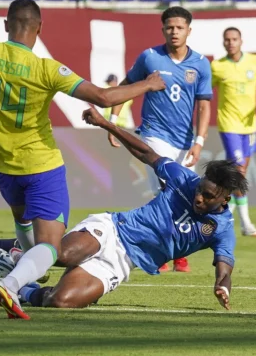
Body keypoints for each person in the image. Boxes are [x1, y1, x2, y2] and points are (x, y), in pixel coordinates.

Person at [0, 0, 165, 320]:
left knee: (26, 227)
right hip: (40, 166)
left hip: (0, 164)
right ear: (39, 29)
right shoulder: (47, 69)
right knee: (50, 247)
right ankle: (9, 286)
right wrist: (148, 84)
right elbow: (104, 97)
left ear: (6, 24)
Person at [16, 108, 241, 312]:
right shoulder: (183, 178)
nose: (199, 197)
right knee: (62, 255)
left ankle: (23, 291)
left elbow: (224, 270)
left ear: (225, 199)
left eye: (208, 196)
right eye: (200, 190)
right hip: (113, 230)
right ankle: (12, 252)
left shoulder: (222, 229)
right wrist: (107, 124)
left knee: (59, 301)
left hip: (123, 262)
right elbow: (145, 153)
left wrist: (223, 287)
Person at [109, 6, 212, 273]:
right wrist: (114, 120)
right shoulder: (150, 57)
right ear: (163, 29)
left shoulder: (200, 63)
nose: (174, 31)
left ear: (189, 30)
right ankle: (167, 253)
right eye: (169, 27)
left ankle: (166, 248)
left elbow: (203, 106)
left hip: (184, 141)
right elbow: (127, 85)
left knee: (187, 197)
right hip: (154, 134)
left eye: (179, 27)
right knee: (171, 187)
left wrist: (199, 140)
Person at [211, 27, 256, 237]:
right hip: (229, 125)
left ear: (241, 41)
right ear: (223, 43)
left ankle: (226, 211)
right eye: (227, 40)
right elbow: (204, 90)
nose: (230, 43)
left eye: (234, 39)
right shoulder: (217, 66)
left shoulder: (255, 62)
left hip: (249, 127)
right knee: (239, 171)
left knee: (241, 174)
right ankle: (245, 223)